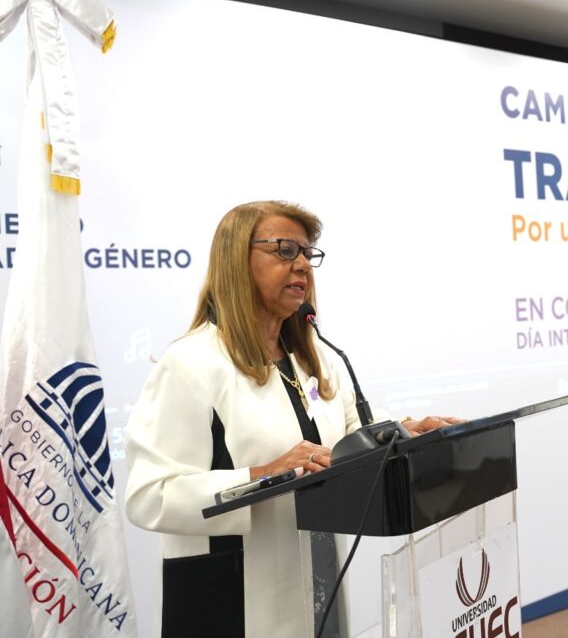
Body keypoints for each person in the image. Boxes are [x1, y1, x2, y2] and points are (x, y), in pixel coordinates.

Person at [125, 201, 458, 637]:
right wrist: (265, 475)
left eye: (307, 253)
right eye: (285, 250)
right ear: (236, 260)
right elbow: (149, 495)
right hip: (232, 595)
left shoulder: (314, 357)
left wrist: (400, 433)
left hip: (318, 577)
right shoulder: (191, 363)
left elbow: (349, 437)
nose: (302, 264)